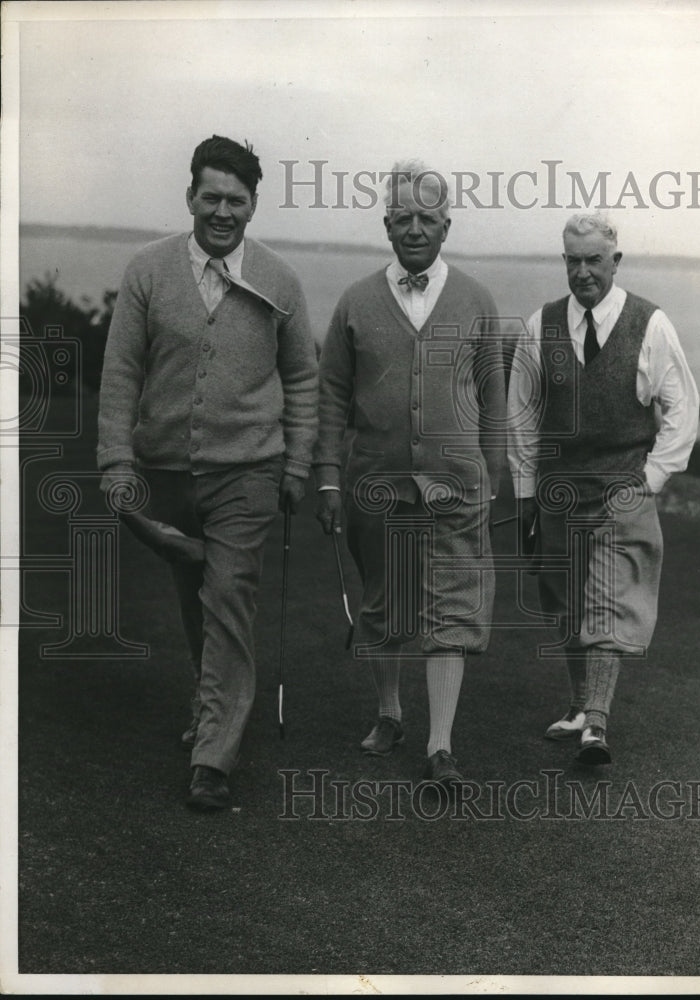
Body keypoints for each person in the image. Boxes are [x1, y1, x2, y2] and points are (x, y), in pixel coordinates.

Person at [97, 135, 318, 809]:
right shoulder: (147, 270)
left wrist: (298, 463)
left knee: (228, 600)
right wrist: (115, 464)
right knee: (194, 594)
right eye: (211, 197)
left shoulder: (279, 280)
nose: (223, 211)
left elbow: (303, 377)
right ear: (190, 195)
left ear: (254, 205)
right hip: (165, 470)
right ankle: (209, 699)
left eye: (237, 200)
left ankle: (213, 759)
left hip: (248, 471)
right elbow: (120, 374)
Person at [314, 160, 506, 789]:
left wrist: (495, 469)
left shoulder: (477, 300)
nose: (415, 228)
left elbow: (494, 399)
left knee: (450, 608)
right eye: (404, 218)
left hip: (458, 482)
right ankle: (389, 711)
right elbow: (330, 398)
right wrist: (327, 479)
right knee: (386, 603)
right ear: (387, 224)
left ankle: (440, 747)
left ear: (447, 226)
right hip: (375, 481)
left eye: (428, 218)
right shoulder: (355, 302)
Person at [507, 213, 699, 765]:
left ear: (616, 261)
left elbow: (682, 410)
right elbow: (521, 418)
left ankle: (596, 723)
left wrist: (650, 480)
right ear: (563, 261)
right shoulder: (538, 327)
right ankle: (577, 706)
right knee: (568, 607)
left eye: (595, 260)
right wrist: (524, 494)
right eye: (573, 260)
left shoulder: (651, 324)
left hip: (623, 493)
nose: (583, 272)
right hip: (558, 492)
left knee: (609, 607)